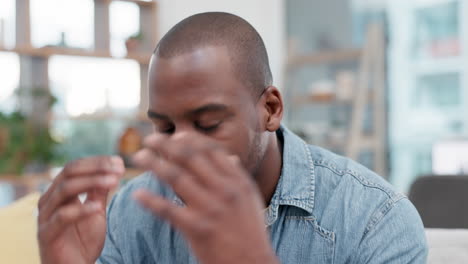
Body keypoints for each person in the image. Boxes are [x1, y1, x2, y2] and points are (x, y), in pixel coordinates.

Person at [37, 12, 428, 264]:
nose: (180, 149)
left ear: (270, 109)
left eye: (207, 124)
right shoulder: (131, 213)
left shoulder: (373, 221)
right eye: (165, 128)